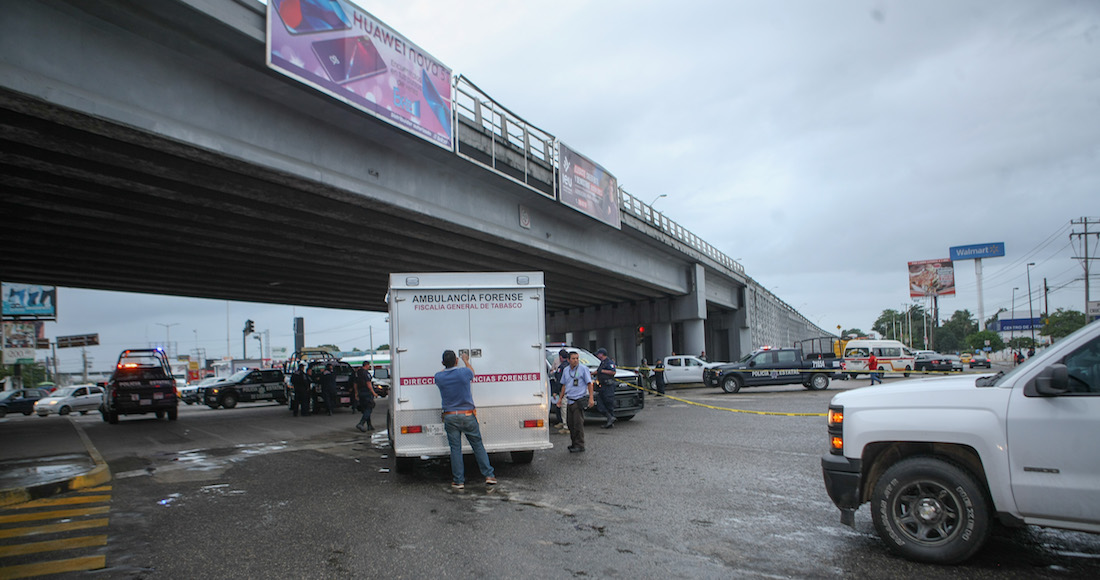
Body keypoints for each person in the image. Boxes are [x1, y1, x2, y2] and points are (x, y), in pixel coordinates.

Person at [434, 350, 495, 489]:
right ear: (457, 361)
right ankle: (489, 475)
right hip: (467, 415)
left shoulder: (439, 377)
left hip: (450, 416)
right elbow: (472, 372)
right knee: (477, 446)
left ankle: (459, 481)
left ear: (443, 363)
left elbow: (443, 371)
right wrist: (465, 360)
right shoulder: (464, 373)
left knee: (455, 449)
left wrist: (448, 365)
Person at [558, 351, 594, 452]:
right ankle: (574, 443)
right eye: (573, 358)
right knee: (570, 424)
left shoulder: (583, 369)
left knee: (578, 424)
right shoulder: (566, 370)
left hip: (579, 400)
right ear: (568, 360)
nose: (576, 360)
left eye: (577, 358)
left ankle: (580, 445)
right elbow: (564, 385)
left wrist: (591, 398)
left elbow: (589, 383)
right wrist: (560, 399)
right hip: (569, 400)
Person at [594, 348, 618, 429]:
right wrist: (591, 373)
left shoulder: (609, 362)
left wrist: (603, 371)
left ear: (602, 354)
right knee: (600, 404)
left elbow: (613, 372)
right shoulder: (602, 362)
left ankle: (610, 421)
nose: (597, 355)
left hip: (608, 386)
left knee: (608, 403)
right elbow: (598, 371)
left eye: (598, 354)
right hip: (602, 386)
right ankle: (610, 418)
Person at [352, 361, 378, 432]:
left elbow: (355, 384)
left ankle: (369, 425)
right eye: (369, 365)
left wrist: (356, 393)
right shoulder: (366, 373)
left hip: (360, 393)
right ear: (367, 365)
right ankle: (361, 423)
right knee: (369, 408)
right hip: (367, 392)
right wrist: (374, 393)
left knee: (365, 409)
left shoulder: (357, 373)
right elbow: (368, 383)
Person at [550, 349, 570, 428]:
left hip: (563, 391)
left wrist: (555, 391)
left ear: (560, 357)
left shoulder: (561, 367)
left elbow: (559, 381)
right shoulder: (570, 366)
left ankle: (565, 426)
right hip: (572, 390)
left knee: (564, 408)